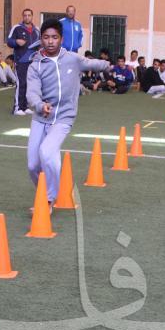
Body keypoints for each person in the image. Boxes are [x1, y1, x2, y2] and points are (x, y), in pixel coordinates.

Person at [26, 19, 109, 208]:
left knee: (47, 152)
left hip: (64, 117)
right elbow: (32, 92)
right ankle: (43, 192)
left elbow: (92, 63)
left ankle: (49, 198)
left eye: (54, 37)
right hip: (41, 117)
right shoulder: (35, 66)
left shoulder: (72, 59)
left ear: (61, 39)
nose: (50, 41)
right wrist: (40, 105)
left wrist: (107, 65)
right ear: (41, 39)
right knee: (33, 165)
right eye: (46, 37)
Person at [8, 8, 39, 115]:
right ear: (23, 16)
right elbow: (9, 41)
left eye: (29, 15)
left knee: (29, 84)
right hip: (20, 61)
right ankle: (17, 108)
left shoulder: (37, 30)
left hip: (32, 62)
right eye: (25, 15)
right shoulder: (17, 28)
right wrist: (16, 41)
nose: (27, 17)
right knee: (21, 83)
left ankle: (25, 107)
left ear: (32, 16)